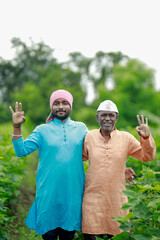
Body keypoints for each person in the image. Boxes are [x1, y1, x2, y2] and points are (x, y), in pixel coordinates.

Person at [9, 91, 136, 240]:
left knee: (68, 235)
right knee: (49, 234)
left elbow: (97, 149)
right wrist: (16, 127)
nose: (61, 107)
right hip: (48, 191)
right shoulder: (41, 130)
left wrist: (119, 167)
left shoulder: (81, 129)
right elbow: (21, 151)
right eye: (56, 103)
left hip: (73, 193)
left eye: (65, 103)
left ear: (70, 106)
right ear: (51, 106)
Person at [82, 100, 156, 240]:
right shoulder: (89, 137)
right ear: (97, 117)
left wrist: (145, 137)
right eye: (104, 115)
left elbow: (147, 156)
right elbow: (77, 159)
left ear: (117, 118)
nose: (107, 119)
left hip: (117, 201)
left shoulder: (126, 138)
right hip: (92, 201)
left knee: (118, 235)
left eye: (111, 115)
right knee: (91, 236)